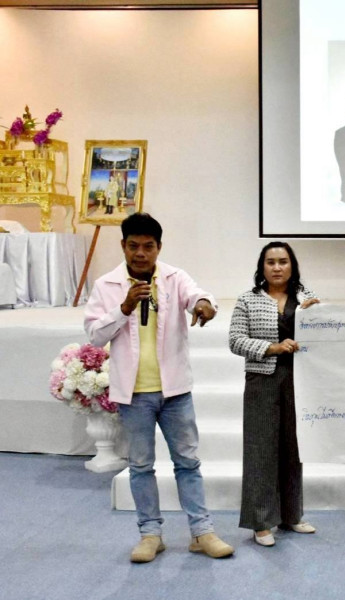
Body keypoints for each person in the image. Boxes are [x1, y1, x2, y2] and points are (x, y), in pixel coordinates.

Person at [84, 212, 234, 563]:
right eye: (133, 246)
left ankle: (202, 532)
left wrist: (204, 306)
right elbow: (94, 335)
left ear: (159, 247)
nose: (141, 253)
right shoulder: (106, 285)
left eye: (148, 246)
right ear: (123, 246)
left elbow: (198, 296)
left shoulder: (173, 277)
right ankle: (150, 534)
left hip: (174, 392)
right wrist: (124, 308)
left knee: (188, 462)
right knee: (140, 466)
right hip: (133, 394)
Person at [228, 241, 320, 547]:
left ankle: (292, 515)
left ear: (292, 266)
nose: (277, 267)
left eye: (283, 261)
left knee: (294, 448)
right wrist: (272, 348)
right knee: (260, 450)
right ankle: (261, 522)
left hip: (299, 380)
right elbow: (235, 341)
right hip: (262, 379)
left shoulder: (307, 299)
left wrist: (320, 318)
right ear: (262, 267)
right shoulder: (248, 300)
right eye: (271, 262)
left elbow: (323, 338)